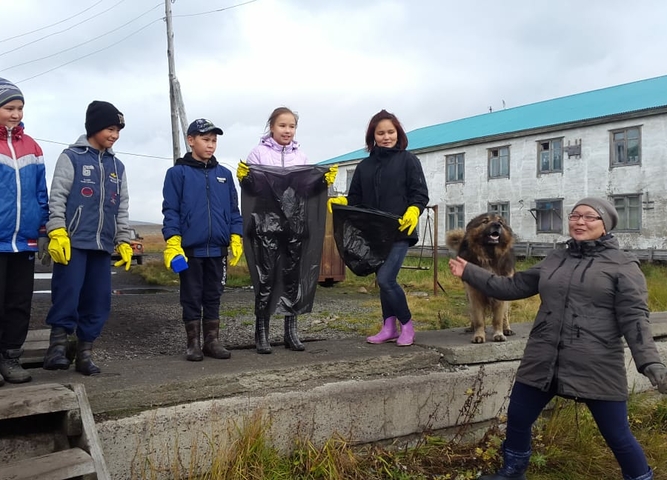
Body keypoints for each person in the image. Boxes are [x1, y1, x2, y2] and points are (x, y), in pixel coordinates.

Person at [448, 197, 667, 480]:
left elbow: (636, 320)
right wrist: (469, 270)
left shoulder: (622, 265)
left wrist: (651, 364)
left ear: (606, 225)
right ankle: (513, 473)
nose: (580, 222)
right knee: (517, 418)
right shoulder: (556, 258)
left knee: (617, 435)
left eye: (590, 217)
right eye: (575, 215)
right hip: (544, 356)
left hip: (595, 361)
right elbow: (512, 286)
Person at [43, 100, 134, 376]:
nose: (115, 135)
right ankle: (57, 348)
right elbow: (57, 196)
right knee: (67, 295)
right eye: (110, 128)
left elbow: (122, 206)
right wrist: (56, 229)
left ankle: (85, 353)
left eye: (118, 130)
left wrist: (124, 240)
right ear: (94, 127)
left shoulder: (117, 165)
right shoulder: (71, 157)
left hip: (102, 245)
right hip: (73, 242)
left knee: (98, 300)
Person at [237, 107, 337, 354]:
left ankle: (290, 331)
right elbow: (256, 190)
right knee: (266, 278)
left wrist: (322, 181)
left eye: (292, 126)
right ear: (272, 127)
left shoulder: (300, 157)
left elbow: (304, 189)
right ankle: (262, 332)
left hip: (294, 227)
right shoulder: (258, 153)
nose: (287, 130)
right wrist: (246, 179)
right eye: (282, 125)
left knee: (292, 278)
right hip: (266, 227)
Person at [327, 109, 429, 347]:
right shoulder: (364, 166)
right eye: (380, 133)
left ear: (398, 133)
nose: (386, 137)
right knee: (382, 282)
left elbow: (420, 194)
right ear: (373, 136)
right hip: (374, 234)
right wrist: (343, 202)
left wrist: (414, 210)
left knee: (385, 279)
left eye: (390, 132)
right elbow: (356, 199)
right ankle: (388, 326)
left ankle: (407, 325)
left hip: (400, 230)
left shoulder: (408, 160)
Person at [162, 118, 243, 362]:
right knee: (191, 296)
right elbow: (171, 210)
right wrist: (173, 241)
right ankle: (192, 343)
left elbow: (233, 210)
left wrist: (236, 236)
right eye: (205, 140)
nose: (211, 145)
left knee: (213, 294)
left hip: (217, 249)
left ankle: (212, 341)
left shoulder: (224, 175)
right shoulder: (177, 174)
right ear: (191, 140)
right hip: (190, 250)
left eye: (214, 140)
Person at [0, 78, 49, 385]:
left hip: (24, 242)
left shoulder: (32, 146)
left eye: (19, 108)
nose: (16, 113)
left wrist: (43, 229)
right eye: (9, 108)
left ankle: (10, 359)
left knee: (19, 302)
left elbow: (39, 192)